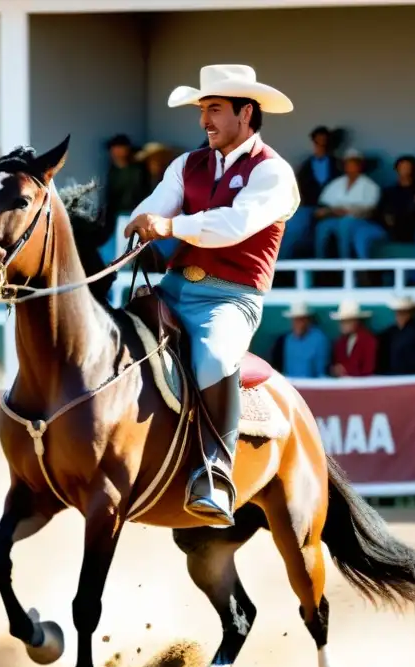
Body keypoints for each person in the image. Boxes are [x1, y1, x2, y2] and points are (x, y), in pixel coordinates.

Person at [123, 64, 299, 527]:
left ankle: (215, 470)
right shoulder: (186, 164)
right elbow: (156, 206)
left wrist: (168, 227)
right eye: (203, 110)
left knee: (216, 359)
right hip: (174, 287)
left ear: (246, 112)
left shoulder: (274, 173)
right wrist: (142, 221)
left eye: (215, 109)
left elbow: (234, 226)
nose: (205, 120)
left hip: (232, 298)